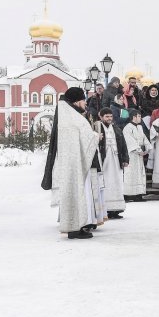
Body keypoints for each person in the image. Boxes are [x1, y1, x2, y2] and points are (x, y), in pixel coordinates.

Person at [42, 87, 102, 239]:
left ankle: (74, 225)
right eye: (83, 100)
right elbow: (84, 133)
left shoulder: (66, 113)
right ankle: (74, 228)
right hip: (71, 161)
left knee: (74, 193)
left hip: (70, 160)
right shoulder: (71, 116)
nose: (85, 104)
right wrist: (96, 137)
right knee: (74, 192)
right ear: (77, 100)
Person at [95, 108, 128, 218]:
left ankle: (116, 209)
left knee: (117, 183)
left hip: (116, 159)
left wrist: (125, 159)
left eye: (110, 116)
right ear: (101, 117)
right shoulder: (97, 127)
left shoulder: (116, 128)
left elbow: (123, 144)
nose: (109, 119)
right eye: (107, 117)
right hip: (104, 161)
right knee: (105, 184)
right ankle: (105, 210)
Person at [123, 109, 152, 201]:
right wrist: (138, 150)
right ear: (133, 117)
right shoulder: (127, 127)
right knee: (131, 173)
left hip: (139, 155)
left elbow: (144, 139)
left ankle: (138, 194)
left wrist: (148, 148)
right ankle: (127, 194)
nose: (140, 118)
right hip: (131, 154)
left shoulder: (139, 127)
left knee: (139, 174)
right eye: (139, 116)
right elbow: (129, 140)